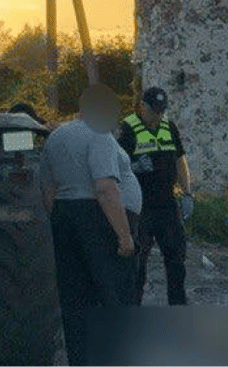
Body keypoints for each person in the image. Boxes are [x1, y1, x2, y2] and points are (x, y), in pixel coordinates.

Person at [39, 84, 144, 367]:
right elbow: (105, 187)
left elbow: (46, 187)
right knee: (114, 294)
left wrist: (62, 222)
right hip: (99, 218)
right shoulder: (100, 135)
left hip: (63, 214)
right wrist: (124, 237)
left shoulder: (56, 136)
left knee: (75, 300)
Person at [118, 86, 194, 306]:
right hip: (139, 206)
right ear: (142, 106)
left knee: (176, 260)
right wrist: (134, 166)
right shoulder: (127, 129)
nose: (158, 115)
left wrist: (187, 193)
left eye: (162, 111)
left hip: (167, 204)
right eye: (154, 111)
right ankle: (133, 314)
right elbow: (117, 166)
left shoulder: (169, 127)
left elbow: (180, 161)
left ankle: (178, 312)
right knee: (137, 263)